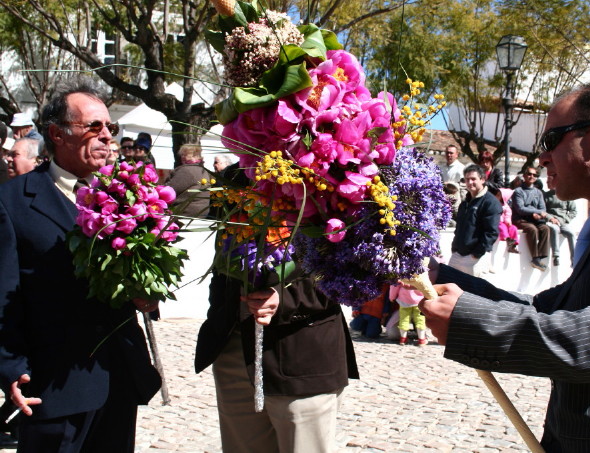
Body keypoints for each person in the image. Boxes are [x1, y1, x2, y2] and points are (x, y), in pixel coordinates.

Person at [419, 81, 590, 452]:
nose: (540, 158)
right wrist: (439, 278)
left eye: (550, 141)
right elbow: (550, 308)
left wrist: (468, 322)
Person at [0, 76, 161, 452]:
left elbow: (141, 275)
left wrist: (148, 296)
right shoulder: (13, 202)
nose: (107, 136)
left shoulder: (131, 196)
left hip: (117, 376)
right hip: (53, 385)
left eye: (110, 127)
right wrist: (10, 368)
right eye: (94, 126)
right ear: (57, 133)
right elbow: (3, 293)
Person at [195, 164, 359, 453]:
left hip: (301, 359)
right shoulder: (235, 176)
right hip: (236, 352)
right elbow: (223, 261)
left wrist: (285, 297)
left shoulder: (333, 175)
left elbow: (350, 271)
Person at [448, 164, 502, 277]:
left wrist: (476, 255)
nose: (470, 182)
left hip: (474, 259)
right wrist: (455, 248)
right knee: (448, 287)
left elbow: (491, 233)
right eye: (467, 179)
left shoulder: (490, 202)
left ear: (482, 179)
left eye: (473, 179)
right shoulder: (465, 203)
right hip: (457, 255)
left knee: (472, 293)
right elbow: (459, 228)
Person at [511, 167, 551, 271]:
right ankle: (535, 258)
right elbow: (520, 209)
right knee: (532, 229)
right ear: (524, 176)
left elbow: (543, 208)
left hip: (535, 219)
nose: (531, 176)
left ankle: (541, 256)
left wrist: (538, 215)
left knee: (545, 228)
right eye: (529, 174)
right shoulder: (518, 191)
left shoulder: (538, 192)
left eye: (534, 175)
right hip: (520, 219)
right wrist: (536, 212)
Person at [165, 144, 211, 218]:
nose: (182, 157)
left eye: (185, 154)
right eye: (182, 154)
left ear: (195, 156)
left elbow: (169, 190)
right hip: (200, 214)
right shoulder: (203, 170)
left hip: (183, 213)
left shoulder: (187, 170)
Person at [543, 174, 577, 266]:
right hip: (552, 221)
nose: (547, 184)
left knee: (571, 233)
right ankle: (556, 256)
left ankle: (574, 259)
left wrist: (565, 219)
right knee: (554, 229)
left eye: (548, 182)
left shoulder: (565, 194)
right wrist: (551, 218)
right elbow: (543, 211)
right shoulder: (545, 196)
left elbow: (573, 211)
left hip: (563, 222)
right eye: (547, 182)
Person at [493, 187, 519, 253]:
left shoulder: (506, 207)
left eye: (499, 195)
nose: (496, 196)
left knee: (513, 228)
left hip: (504, 222)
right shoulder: (493, 204)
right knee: (502, 227)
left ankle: (513, 244)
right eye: (497, 194)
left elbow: (508, 214)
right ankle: (506, 238)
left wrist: (508, 221)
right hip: (498, 222)